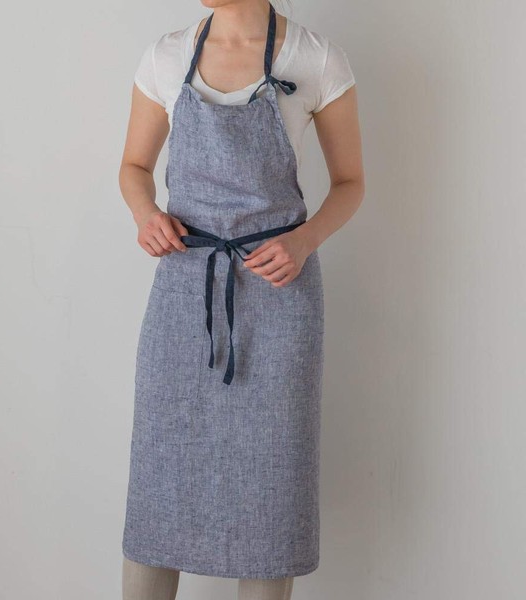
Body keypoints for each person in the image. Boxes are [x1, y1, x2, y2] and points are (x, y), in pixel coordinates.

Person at [118, 1, 364, 598]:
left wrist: (304, 240)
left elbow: (351, 183)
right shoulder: (166, 55)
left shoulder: (316, 59)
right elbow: (133, 166)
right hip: (185, 290)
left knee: (272, 482)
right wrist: (146, 213)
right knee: (161, 476)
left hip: (280, 295)